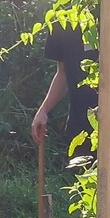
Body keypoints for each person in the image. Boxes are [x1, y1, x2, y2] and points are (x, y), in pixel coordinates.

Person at [32, 18, 97, 169]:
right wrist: (43, 110)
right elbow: (62, 73)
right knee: (83, 185)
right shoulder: (60, 18)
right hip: (80, 124)